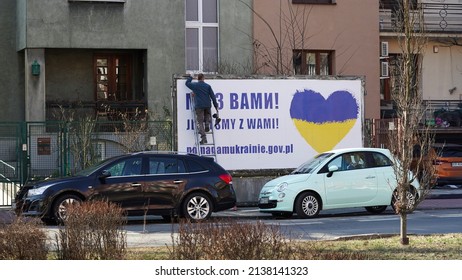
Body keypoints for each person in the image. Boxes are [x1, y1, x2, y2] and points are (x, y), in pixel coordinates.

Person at [185, 73, 219, 144]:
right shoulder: (208, 86)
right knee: (207, 115)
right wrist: (216, 106)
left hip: (199, 106)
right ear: (203, 78)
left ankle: (204, 138)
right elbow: (213, 97)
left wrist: (191, 77)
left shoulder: (195, 85)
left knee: (200, 122)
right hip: (207, 105)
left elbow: (187, 83)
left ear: (198, 78)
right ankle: (207, 124)